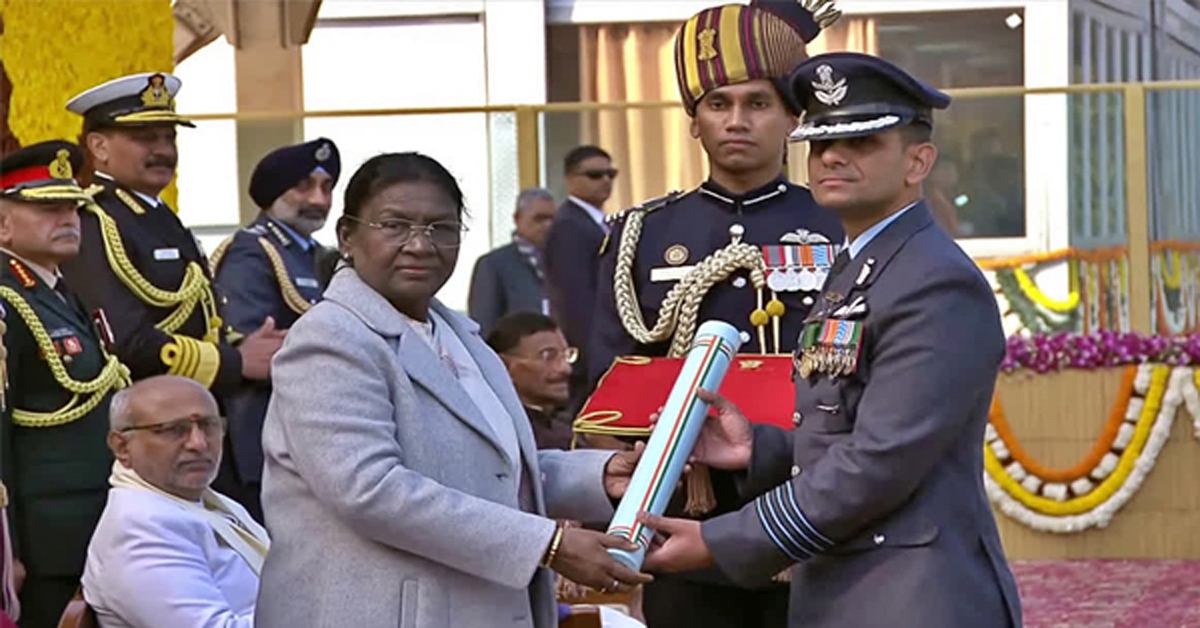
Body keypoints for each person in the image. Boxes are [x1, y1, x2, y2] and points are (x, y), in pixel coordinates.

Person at [638, 52, 1024, 628]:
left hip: (911, 596)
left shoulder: (934, 281)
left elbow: (881, 460)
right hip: (855, 585)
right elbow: (846, 425)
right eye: (820, 144)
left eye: (862, 143)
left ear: (918, 161)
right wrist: (760, 449)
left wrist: (724, 540)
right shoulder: (865, 263)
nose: (833, 158)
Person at [254, 152, 652, 628]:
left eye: (441, 228)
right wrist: (547, 544)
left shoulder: (460, 335)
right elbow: (371, 490)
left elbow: (487, 469)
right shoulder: (330, 337)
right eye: (395, 225)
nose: (420, 245)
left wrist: (598, 476)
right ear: (346, 237)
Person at [587, 2, 844, 626]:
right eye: (718, 104)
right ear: (693, 122)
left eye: (758, 103)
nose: (737, 121)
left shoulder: (840, 225)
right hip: (684, 509)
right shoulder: (642, 233)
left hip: (812, 500)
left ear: (793, 118)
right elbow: (608, 376)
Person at [61, 72, 285, 396]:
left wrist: (245, 346)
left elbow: (199, 317)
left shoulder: (157, 215)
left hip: (189, 400)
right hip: (142, 408)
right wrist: (234, 362)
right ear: (99, 146)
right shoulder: (93, 219)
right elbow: (121, 338)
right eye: (146, 139)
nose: (164, 151)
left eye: (170, 138)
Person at [0, 141, 131, 627]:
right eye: (48, 209)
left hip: (86, 526)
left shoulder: (56, 291)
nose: (68, 219)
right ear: (2, 224)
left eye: (73, 207)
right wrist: (6, 548)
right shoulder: (7, 300)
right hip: (41, 542)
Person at [210, 137, 341, 522]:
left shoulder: (316, 255)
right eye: (304, 187)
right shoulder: (252, 250)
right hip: (266, 431)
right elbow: (255, 345)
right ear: (273, 194)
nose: (318, 199)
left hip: (312, 428)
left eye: (327, 187)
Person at [83, 375, 268, 628]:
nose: (198, 443)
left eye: (208, 425)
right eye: (174, 430)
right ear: (122, 447)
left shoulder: (201, 500)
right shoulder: (141, 527)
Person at [545, 146, 616, 409]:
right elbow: (574, 298)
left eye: (610, 174)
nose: (605, 181)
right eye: (595, 175)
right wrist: (591, 355)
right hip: (590, 351)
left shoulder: (598, 223)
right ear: (570, 180)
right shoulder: (569, 226)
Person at [468, 188, 556, 336]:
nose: (548, 225)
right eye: (539, 219)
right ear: (517, 218)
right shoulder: (494, 265)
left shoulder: (563, 262)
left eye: (552, 219)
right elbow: (484, 324)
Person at [486, 312, 578, 451]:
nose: (565, 369)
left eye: (566, 355)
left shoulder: (568, 429)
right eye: (548, 356)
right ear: (504, 366)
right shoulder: (504, 438)